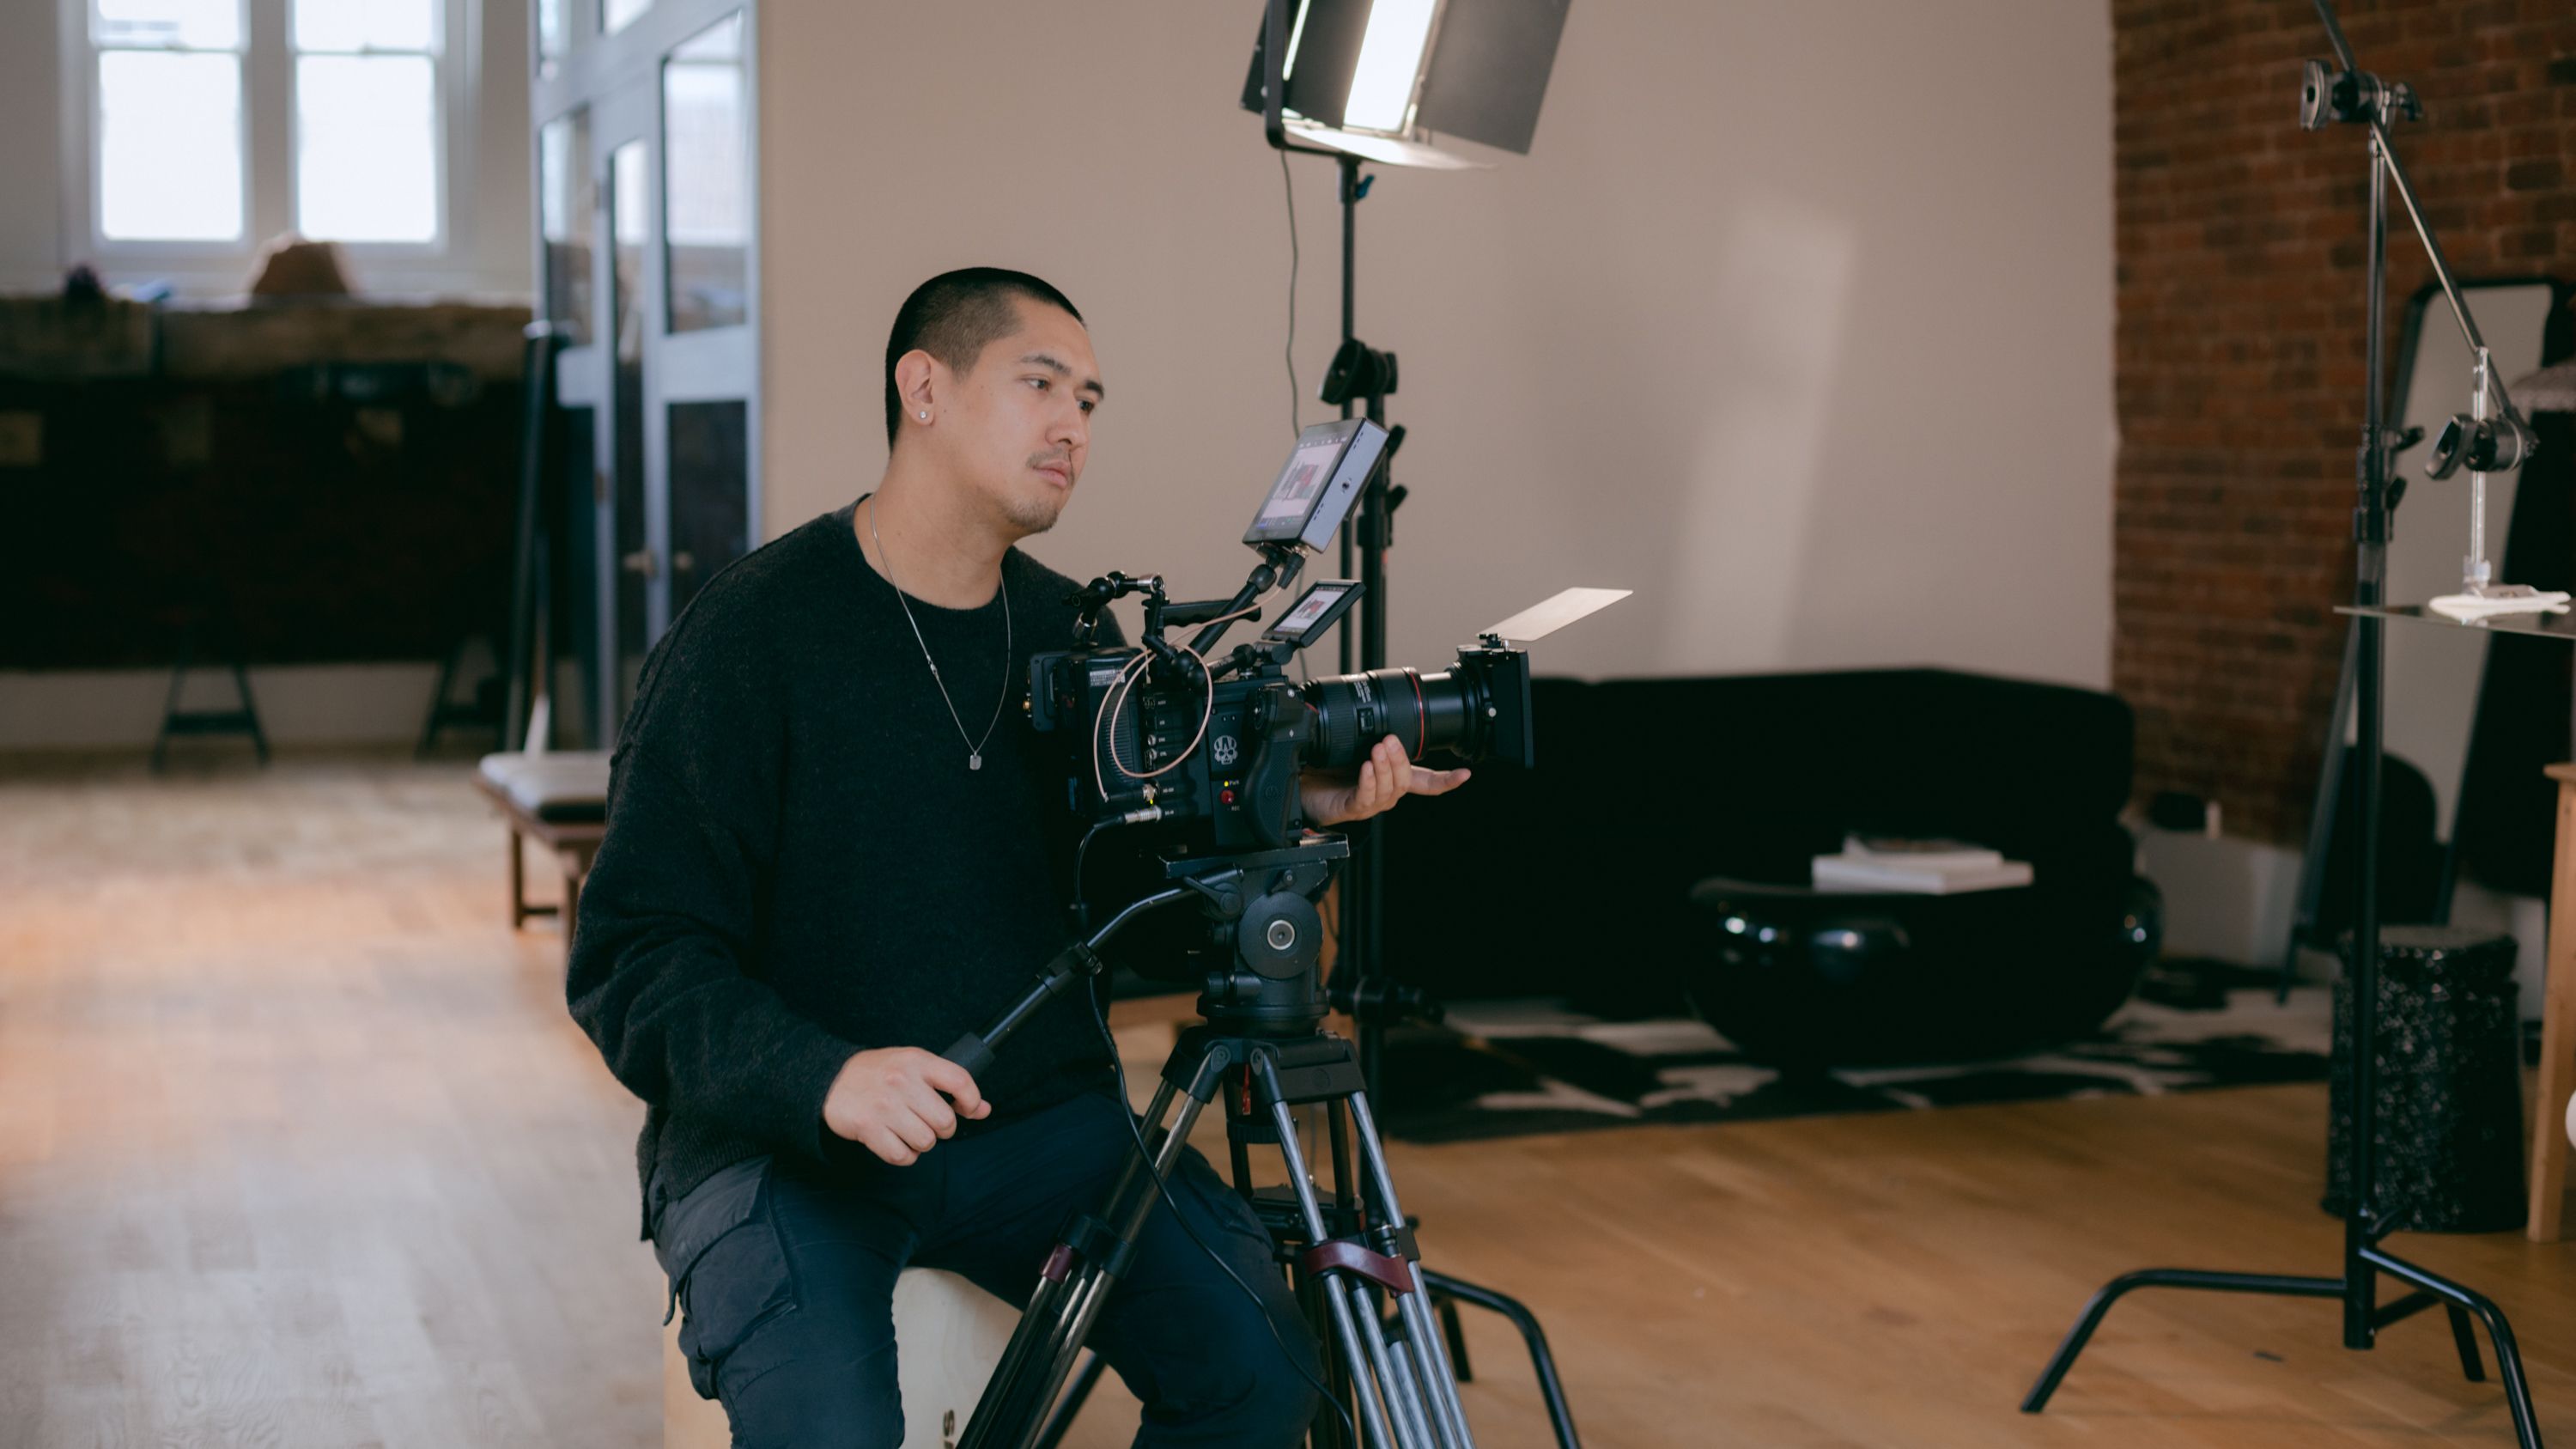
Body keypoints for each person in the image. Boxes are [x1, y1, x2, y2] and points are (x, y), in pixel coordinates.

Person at [567, 267, 1468, 1448]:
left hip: (1033, 1126)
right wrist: (823, 1074)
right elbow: (631, 954)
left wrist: (1285, 805)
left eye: (1090, 401)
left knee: (1260, 1366)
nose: (1072, 427)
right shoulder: (752, 632)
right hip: (787, 1144)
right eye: (1040, 384)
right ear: (923, 388)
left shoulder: (1074, 637)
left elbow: (1128, 895)